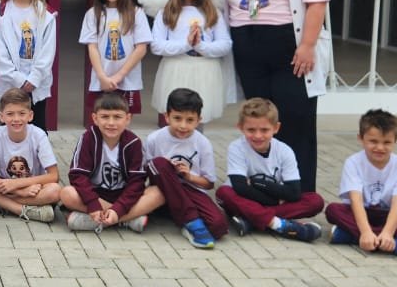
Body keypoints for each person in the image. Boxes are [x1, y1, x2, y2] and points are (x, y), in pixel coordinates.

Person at [218, 0, 330, 192]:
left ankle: (299, 191)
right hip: (249, 54)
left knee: (295, 119)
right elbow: (217, 3)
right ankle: (264, 187)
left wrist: (307, 45)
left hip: (289, 54)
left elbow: (317, 2)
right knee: (259, 123)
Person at [325, 109, 397, 261]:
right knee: (333, 210)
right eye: (373, 141)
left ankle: (351, 236)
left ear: (395, 140)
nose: (380, 148)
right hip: (360, 213)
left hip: (389, 215)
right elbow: (356, 200)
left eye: (387, 142)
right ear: (361, 138)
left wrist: (388, 232)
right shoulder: (353, 162)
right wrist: (365, 231)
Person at [216, 98, 324, 242]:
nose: (258, 136)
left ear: (276, 128)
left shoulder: (285, 151)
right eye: (251, 130)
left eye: (264, 130)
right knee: (223, 193)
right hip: (247, 199)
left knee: (315, 201)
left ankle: (251, 221)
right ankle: (279, 224)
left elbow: (294, 192)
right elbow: (240, 187)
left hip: (251, 204)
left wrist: (255, 182)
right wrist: (276, 199)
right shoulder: (236, 148)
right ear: (240, 128)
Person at [149, 0, 232, 123]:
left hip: (206, 70)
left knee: (199, 116)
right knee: (175, 114)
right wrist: (186, 44)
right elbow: (156, 45)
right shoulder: (166, 12)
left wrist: (200, 46)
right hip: (175, 69)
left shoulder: (213, 12)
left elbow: (225, 44)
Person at [142, 88, 227, 250]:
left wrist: (189, 176)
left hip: (190, 189)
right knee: (159, 163)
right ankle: (192, 221)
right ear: (167, 117)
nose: (183, 125)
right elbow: (146, 170)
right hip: (162, 187)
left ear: (199, 120)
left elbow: (209, 184)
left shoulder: (203, 143)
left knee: (219, 227)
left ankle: (179, 217)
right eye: (177, 118)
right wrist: (166, 167)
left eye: (190, 120)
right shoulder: (154, 138)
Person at [60, 92, 151, 233]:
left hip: (123, 196)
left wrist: (118, 208)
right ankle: (126, 219)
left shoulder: (134, 143)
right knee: (66, 193)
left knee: (157, 194)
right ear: (95, 118)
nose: (111, 123)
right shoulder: (88, 138)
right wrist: (93, 204)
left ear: (128, 119)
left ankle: (102, 219)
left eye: (117, 117)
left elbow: (137, 182)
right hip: (96, 195)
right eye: (105, 117)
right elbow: (77, 175)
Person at [0, 0, 57, 131]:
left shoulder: (46, 14)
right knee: (11, 130)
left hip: (37, 85)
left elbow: (48, 51)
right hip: (9, 84)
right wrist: (18, 79)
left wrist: (34, 78)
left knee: (37, 131)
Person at [80, 0, 151, 114]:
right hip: (101, 82)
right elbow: (92, 48)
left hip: (128, 82)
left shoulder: (136, 14)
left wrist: (119, 76)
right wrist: (102, 77)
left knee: (123, 120)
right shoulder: (93, 14)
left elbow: (141, 48)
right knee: (100, 119)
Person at [0, 88, 60, 223]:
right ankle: (23, 210)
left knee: (55, 191)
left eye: (22, 113)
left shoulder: (39, 135)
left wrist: (17, 184)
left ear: (30, 115)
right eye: (10, 114)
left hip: (34, 186)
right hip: (7, 186)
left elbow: (54, 176)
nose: (16, 119)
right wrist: (19, 191)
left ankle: (1, 204)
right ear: (2, 117)